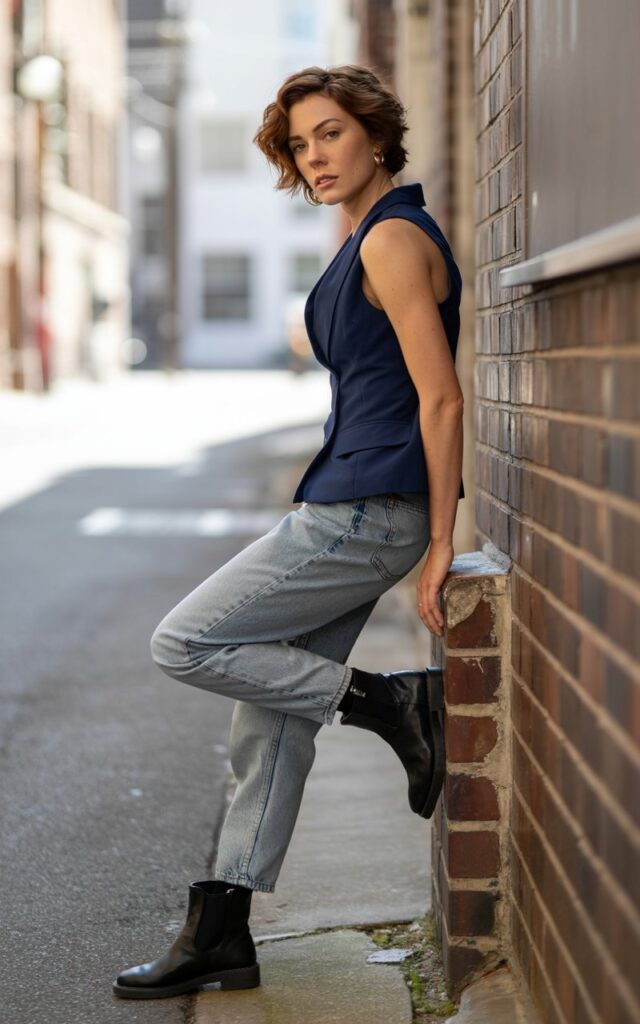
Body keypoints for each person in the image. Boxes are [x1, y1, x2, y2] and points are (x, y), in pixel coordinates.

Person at [112, 63, 464, 1001]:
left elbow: (440, 396)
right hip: (349, 501)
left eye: (331, 134)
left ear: (377, 135)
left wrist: (438, 545)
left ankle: (391, 704)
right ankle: (222, 929)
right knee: (266, 722)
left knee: (185, 639)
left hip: (365, 513)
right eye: (300, 143)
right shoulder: (365, 236)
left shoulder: (391, 239)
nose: (314, 155)